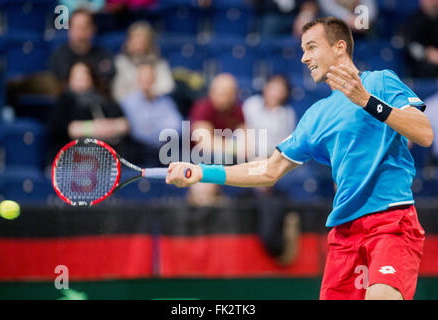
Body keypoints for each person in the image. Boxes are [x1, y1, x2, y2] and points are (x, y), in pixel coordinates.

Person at [166, 17, 433, 300]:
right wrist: (202, 172)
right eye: (303, 49)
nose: (304, 57)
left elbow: (424, 133)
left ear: (339, 47)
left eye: (312, 47)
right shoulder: (316, 116)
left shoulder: (380, 81)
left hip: (390, 223)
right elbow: (269, 170)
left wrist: (367, 101)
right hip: (345, 233)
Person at [243, 74, 300, 265]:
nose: (276, 92)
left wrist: (269, 166)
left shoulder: (287, 114)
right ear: (265, 87)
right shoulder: (251, 105)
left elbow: (286, 146)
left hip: (274, 163)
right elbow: (244, 135)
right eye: (273, 86)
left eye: (281, 88)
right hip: (248, 160)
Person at [48, 61, 128, 163]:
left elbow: (124, 124)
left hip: (106, 159)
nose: (81, 79)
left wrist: (109, 127)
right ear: (69, 79)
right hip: (74, 160)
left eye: (85, 74)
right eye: (76, 76)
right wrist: (93, 128)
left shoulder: (104, 99)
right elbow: (64, 129)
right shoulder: (64, 102)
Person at [187, 73, 245, 206]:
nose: (225, 98)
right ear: (212, 92)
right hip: (198, 159)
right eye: (221, 93)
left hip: (229, 160)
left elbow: (245, 146)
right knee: (204, 185)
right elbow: (205, 144)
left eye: (229, 94)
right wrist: (234, 147)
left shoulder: (238, 110)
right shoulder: (203, 107)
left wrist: (227, 146)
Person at [119, 60, 182, 166]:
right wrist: (160, 131)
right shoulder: (128, 102)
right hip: (140, 151)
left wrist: (155, 131)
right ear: (137, 80)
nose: (146, 81)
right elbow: (139, 132)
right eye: (143, 78)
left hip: (166, 149)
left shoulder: (165, 101)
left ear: (154, 80)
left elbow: (177, 126)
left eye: (149, 78)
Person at [49, 8, 115, 94]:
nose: (80, 33)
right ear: (69, 29)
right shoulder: (59, 56)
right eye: (77, 27)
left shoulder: (103, 55)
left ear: (93, 29)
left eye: (84, 27)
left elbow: (106, 84)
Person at [112, 21, 174, 104]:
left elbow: (168, 87)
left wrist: (150, 93)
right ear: (128, 41)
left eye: (142, 38)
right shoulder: (120, 62)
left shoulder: (159, 62)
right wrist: (139, 96)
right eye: (135, 37)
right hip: (129, 106)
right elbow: (118, 93)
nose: (138, 42)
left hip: (155, 104)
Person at [402, 0, 438, 78]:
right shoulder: (414, 21)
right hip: (422, 64)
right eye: (429, 1)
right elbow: (410, 46)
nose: (433, 3)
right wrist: (427, 54)